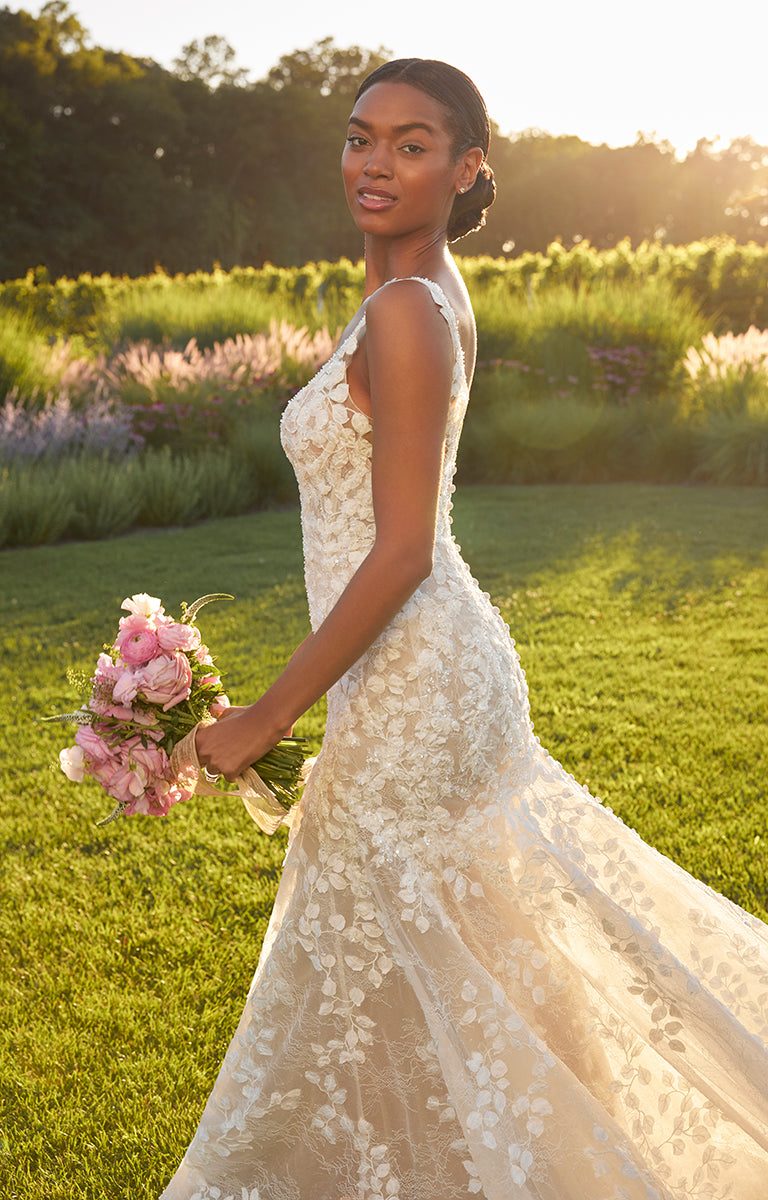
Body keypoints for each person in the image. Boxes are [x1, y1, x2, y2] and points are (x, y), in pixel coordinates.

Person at [161, 59, 768, 1200]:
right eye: (359, 138)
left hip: (417, 678)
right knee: (471, 962)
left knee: (386, 958)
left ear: (469, 163)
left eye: (411, 143)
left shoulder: (406, 310)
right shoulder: (424, 293)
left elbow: (402, 550)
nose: (374, 164)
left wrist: (262, 718)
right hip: (423, 670)